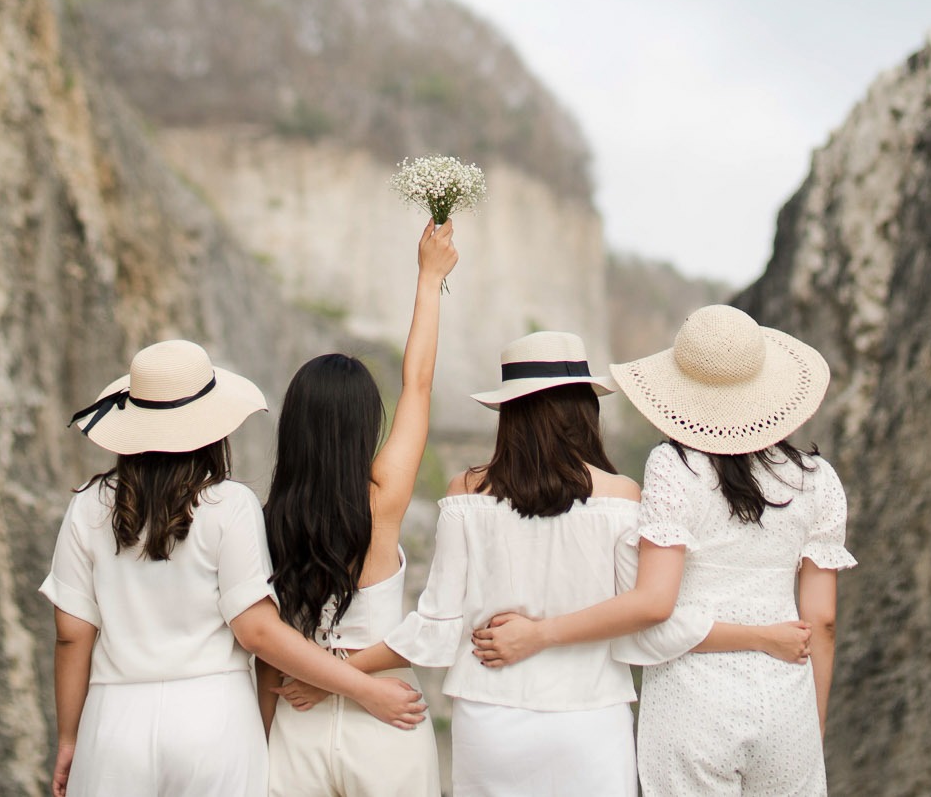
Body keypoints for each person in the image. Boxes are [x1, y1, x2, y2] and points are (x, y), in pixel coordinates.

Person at [289, 330, 807, 797]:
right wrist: (759, 636)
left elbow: (436, 629)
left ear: (509, 412)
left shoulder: (467, 493)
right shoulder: (622, 495)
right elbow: (651, 617)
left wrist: (334, 675)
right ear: (585, 408)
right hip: (590, 720)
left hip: (489, 719)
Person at [470, 304, 851, 797]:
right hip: (786, 704)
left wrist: (540, 633)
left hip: (691, 706)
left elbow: (655, 603)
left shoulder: (674, 467)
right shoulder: (819, 481)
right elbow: (821, 622)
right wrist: (809, 729)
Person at [40, 339, 427, 797]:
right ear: (210, 425)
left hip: (114, 718)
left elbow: (71, 634)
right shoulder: (230, 505)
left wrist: (69, 739)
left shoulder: (87, 506)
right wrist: (363, 688)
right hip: (213, 718)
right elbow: (258, 632)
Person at [257, 221, 454, 797]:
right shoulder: (382, 499)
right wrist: (429, 276)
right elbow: (417, 384)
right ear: (366, 425)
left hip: (296, 720)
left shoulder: (268, 518)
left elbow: (265, 644)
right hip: (386, 715)